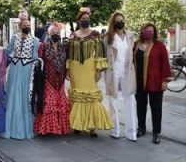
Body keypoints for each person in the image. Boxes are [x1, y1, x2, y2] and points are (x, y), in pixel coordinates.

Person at [67, 7, 112, 137]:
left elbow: (99, 53)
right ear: (79, 20)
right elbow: (69, 54)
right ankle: (77, 125)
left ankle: (92, 126)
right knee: (77, 96)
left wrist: (98, 70)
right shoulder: (72, 35)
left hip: (89, 67)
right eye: (83, 18)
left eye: (87, 18)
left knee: (91, 95)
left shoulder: (95, 34)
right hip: (75, 69)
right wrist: (68, 70)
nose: (86, 20)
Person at [0, 10, 40, 139]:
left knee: (24, 96)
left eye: (28, 25)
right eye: (24, 25)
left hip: (27, 69)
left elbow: (35, 57)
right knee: (13, 94)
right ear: (20, 26)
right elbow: (8, 50)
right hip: (15, 68)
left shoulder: (35, 40)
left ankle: (24, 128)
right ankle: (10, 128)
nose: (26, 27)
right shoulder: (14, 37)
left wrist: (38, 65)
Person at [133, 22, 171, 144]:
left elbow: (165, 64)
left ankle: (156, 133)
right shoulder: (136, 45)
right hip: (139, 82)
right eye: (146, 30)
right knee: (140, 107)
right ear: (142, 32)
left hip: (155, 82)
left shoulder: (159, 46)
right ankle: (141, 128)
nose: (149, 33)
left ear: (154, 33)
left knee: (156, 108)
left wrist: (164, 81)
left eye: (151, 31)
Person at [104, 12, 137, 142]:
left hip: (127, 71)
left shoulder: (130, 36)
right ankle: (115, 130)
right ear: (113, 22)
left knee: (130, 100)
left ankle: (131, 132)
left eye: (121, 20)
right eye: (117, 21)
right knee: (113, 100)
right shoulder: (108, 37)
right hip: (113, 71)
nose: (119, 22)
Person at [33, 22, 71, 135]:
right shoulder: (43, 46)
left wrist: (68, 72)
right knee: (49, 103)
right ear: (48, 34)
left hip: (61, 79)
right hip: (48, 79)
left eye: (57, 32)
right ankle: (47, 128)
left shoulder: (64, 46)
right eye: (53, 33)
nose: (55, 34)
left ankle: (60, 128)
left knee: (61, 102)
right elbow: (38, 61)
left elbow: (67, 61)